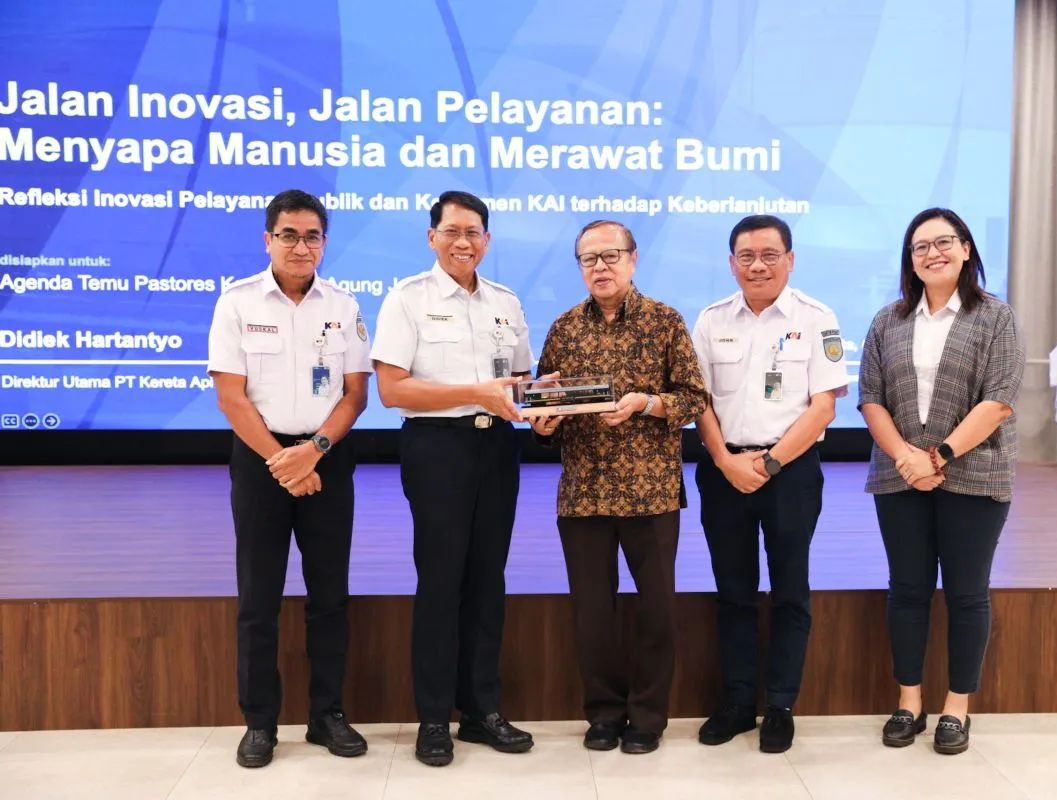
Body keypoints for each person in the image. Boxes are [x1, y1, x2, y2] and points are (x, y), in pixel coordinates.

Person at [207, 189, 373, 768]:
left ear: (324, 242)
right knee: (259, 599)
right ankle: (259, 723)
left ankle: (327, 716)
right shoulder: (237, 302)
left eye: (312, 237)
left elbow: (355, 395)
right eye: (289, 236)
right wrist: (284, 462)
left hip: (327, 458)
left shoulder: (344, 305)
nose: (301, 247)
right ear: (268, 239)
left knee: (330, 596)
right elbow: (231, 397)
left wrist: (314, 451)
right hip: (262, 461)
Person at [530, 220, 707, 755]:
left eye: (610, 256)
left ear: (632, 259)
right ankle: (603, 714)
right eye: (589, 259)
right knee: (592, 614)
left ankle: (648, 717)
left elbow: (694, 398)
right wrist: (542, 422)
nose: (600, 267)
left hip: (650, 491)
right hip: (583, 492)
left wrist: (646, 403)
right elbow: (544, 404)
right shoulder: (564, 328)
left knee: (657, 611)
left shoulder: (664, 321)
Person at [371, 190, 535, 767]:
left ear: (486, 240)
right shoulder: (407, 299)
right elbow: (392, 390)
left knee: (488, 580)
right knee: (441, 581)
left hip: (498, 447)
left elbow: (519, 382)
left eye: (473, 233)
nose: (463, 242)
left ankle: (482, 711)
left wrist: (546, 398)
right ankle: (434, 719)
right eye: (452, 231)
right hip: (437, 448)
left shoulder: (505, 302)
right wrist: (474, 393)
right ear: (432, 237)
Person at [857, 207, 1024, 755]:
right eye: (920, 246)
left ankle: (957, 707)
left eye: (944, 242)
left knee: (967, 593)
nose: (933, 253)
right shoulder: (888, 320)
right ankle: (909, 702)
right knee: (907, 590)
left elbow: (999, 400)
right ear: (910, 260)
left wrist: (940, 455)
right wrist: (907, 457)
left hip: (975, 473)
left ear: (967, 249)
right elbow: (871, 398)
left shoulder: (996, 317)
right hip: (899, 474)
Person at [690, 215, 848, 754]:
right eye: (746, 256)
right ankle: (738, 703)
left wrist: (771, 464)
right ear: (732, 262)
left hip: (791, 472)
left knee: (789, 591)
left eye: (769, 255)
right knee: (732, 591)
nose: (757, 265)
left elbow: (823, 406)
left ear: (790, 260)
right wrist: (726, 461)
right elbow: (698, 401)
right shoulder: (711, 319)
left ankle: (780, 705)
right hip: (723, 470)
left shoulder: (817, 317)